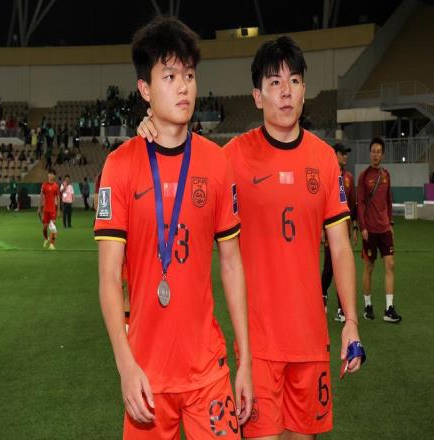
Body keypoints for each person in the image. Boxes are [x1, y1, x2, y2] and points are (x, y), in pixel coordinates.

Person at [138, 35, 364, 440]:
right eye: (274, 83)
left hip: (311, 341)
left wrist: (350, 321)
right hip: (258, 346)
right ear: (257, 96)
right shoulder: (231, 158)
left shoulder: (324, 160)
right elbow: (184, 161)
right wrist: (153, 124)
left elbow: (341, 246)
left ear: (305, 90)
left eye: (294, 81)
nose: (286, 92)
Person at [94, 16, 252, 439]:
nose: (183, 87)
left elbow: (232, 264)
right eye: (169, 76)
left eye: (189, 75)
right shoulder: (119, 166)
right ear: (145, 89)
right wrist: (125, 366)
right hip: (146, 377)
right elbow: (108, 277)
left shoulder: (216, 162)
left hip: (209, 372)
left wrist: (246, 361)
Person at [357, 138, 402, 323]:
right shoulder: (364, 176)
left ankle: (389, 308)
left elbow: (388, 201)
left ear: (382, 155)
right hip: (370, 231)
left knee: (390, 264)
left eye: (378, 151)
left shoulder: (386, 175)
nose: (375, 155)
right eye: (373, 151)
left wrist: (390, 223)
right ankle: (368, 306)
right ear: (370, 154)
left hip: (384, 229)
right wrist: (362, 227)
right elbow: (360, 204)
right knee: (369, 267)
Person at [321, 143, 358, 322]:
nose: (345, 156)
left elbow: (353, 205)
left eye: (346, 154)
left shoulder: (349, 177)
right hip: (330, 231)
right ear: (334, 154)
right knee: (330, 268)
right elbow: (320, 204)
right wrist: (322, 231)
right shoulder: (325, 175)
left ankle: (342, 309)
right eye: (342, 153)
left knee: (342, 267)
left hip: (345, 231)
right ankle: (322, 294)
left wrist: (355, 228)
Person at [39, 169, 60, 250]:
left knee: (52, 227)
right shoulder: (44, 185)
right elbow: (41, 197)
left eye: (52, 174)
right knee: (44, 228)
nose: (50, 175)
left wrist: (59, 210)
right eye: (49, 174)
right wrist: (39, 208)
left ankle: (51, 244)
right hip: (45, 210)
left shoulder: (56, 186)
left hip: (53, 210)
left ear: (54, 176)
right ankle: (46, 238)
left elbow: (58, 198)